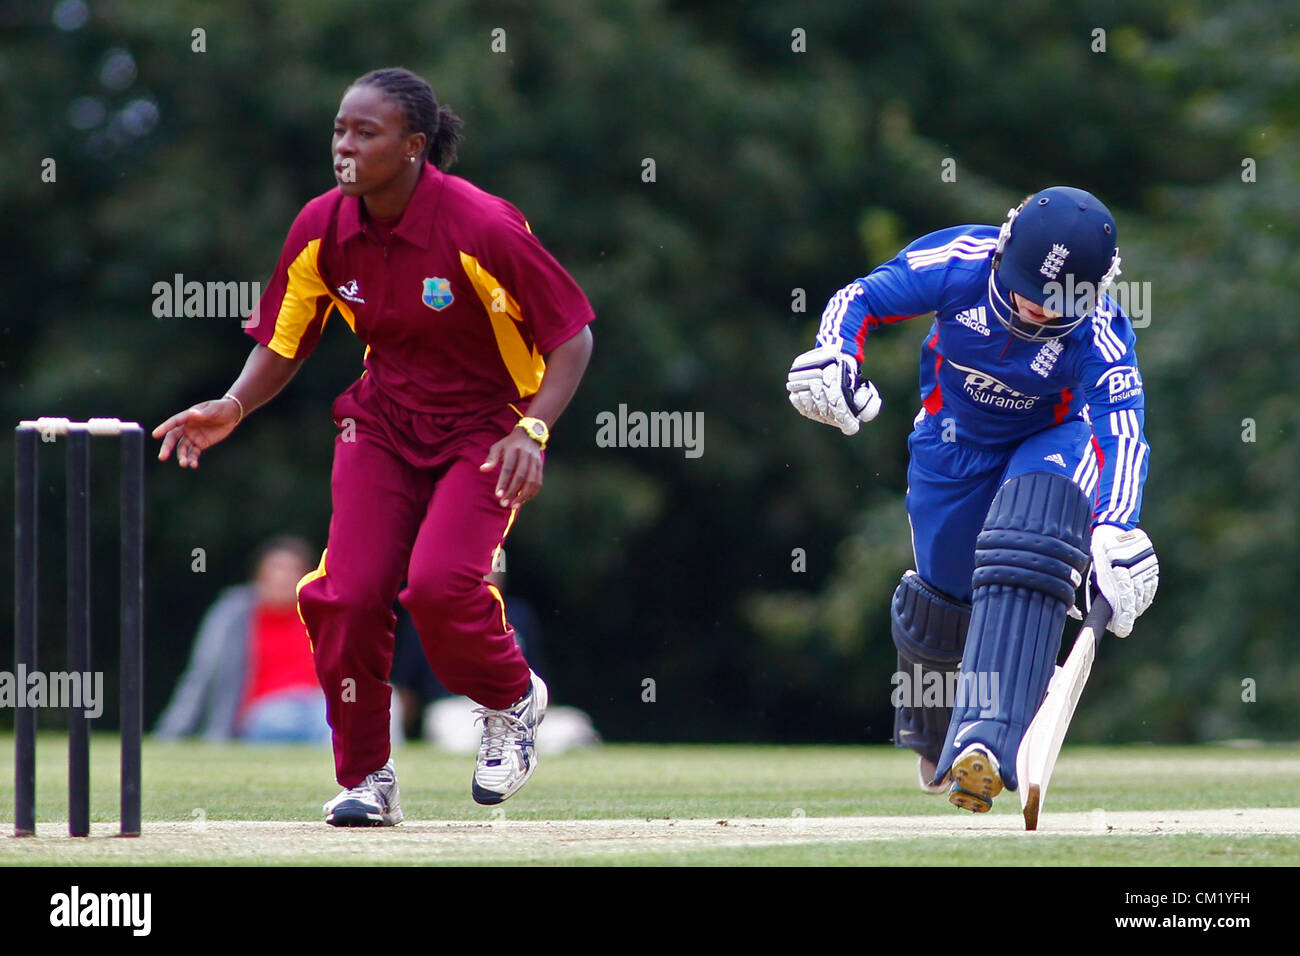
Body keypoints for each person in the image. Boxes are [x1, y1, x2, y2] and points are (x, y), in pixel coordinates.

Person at [153, 67, 595, 826]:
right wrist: (233, 403)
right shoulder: (323, 226)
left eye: (366, 133)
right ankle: (368, 779)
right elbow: (284, 340)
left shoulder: (479, 226)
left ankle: (513, 700)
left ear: (415, 146)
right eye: (339, 130)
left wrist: (534, 428)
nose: (344, 147)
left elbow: (571, 335)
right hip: (382, 423)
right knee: (344, 594)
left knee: (438, 588)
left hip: (488, 427)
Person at [786, 186, 1159, 812]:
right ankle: (935, 736)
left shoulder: (1103, 334)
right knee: (941, 604)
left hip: (1051, 438)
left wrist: (1119, 528)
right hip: (950, 443)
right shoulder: (961, 261)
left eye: (1054, 302)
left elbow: (1123, 427)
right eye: (1024, 290)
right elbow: (860, 299)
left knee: (1029, 542)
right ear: (1005, 253)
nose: (1036, 311)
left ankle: (987, 739)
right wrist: (834, 357)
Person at [154, 536, 329, 744]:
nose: (284, 578)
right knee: (283, 719)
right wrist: (170, 733)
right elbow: (202, 674)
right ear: (259, 576)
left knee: (328, 715)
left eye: (292, 570)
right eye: (277, 569)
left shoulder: (320, 615)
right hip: (261, 714)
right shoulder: (234, 615)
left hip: (316, 707)